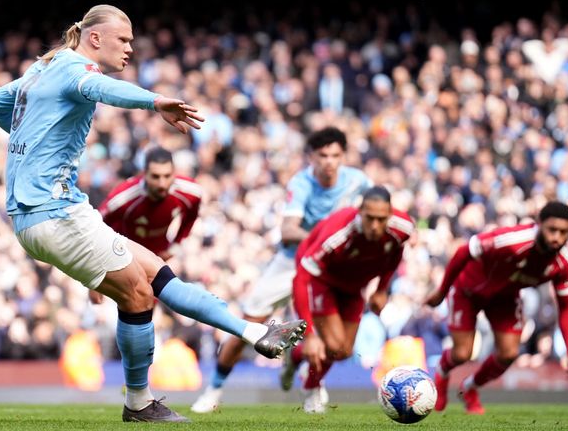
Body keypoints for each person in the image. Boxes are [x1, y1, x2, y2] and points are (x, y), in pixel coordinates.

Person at [0, 4, 306, 423]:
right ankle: (140, 401)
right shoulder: (75, 69)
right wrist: (156, 102)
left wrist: (34, 141)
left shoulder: (41, 71)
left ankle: (253, 331)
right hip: (52, 212)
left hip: (53, 211)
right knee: (138, 294)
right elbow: (105, 91)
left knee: (156, 274)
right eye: (124, 40)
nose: (130, 49)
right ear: (95, 38)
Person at [192, 127, 373, 413]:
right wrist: (324, 241)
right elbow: (288, 229)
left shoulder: (358, 182)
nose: (329, 162)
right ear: (311, 157)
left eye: (335, 155)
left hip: (328, 270)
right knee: (247, 327)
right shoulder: (301, 183)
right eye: (323, 155)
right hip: (291, 262)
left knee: (328, 336)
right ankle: (213, 389)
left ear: (344, 157)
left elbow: (374, 213)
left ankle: (312, 388)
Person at [426, 201, 568, 414]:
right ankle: (441, 375)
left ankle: (469, 388)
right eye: (552, 230)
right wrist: (442, 291)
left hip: (505, 299)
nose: (557, 237)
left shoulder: (562, 265)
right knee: (462, 354)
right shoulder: (511, 240)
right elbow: (464, 251)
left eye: (563, 232)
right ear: (539, 224)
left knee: (509, 353)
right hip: (468, 291)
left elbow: (566, 306)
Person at [286, 186, 413, 413]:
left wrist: (382, 289)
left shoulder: (402, 228)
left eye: (381, 219)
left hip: (354, 286)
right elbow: (301, 278)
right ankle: (310, 387)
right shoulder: (338, 235)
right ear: (359, 212)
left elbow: (396, 251)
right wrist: (309, 334)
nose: (375, 226)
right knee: (332, 345)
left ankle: (295, 356)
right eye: (369, 218)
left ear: (390, 215)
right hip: (322, 281)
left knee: (343, 351)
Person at [99, 147, 202, 261]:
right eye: (155, 176)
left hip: (159, 257)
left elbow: (191, 217)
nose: (162, 184)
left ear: (174, 173)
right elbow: (97, 225)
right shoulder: (123, 198)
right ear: (145, 174)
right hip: (126, 258)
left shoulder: (191, 192)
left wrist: (175, 247)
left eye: (167, 176)